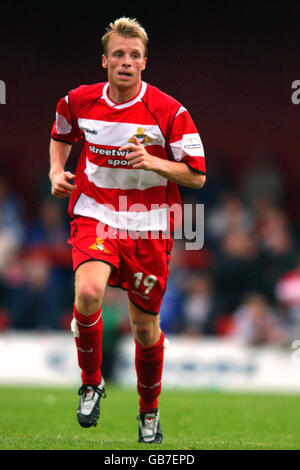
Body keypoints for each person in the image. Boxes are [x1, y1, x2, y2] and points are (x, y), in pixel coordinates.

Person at [49, 17, 206, 444]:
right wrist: (55, 169)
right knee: (87, 293)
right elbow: (61, 130)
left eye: (134, 55)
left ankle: (148, 412)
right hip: (96, 212)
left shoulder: (169, 111)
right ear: (105, 61)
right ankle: (90, 382)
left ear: (144, 63)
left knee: (144, 328)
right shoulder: (80, 100)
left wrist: (154, 162)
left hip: (149, 225)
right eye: (118, 54)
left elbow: (196, 177)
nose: (126, 61)